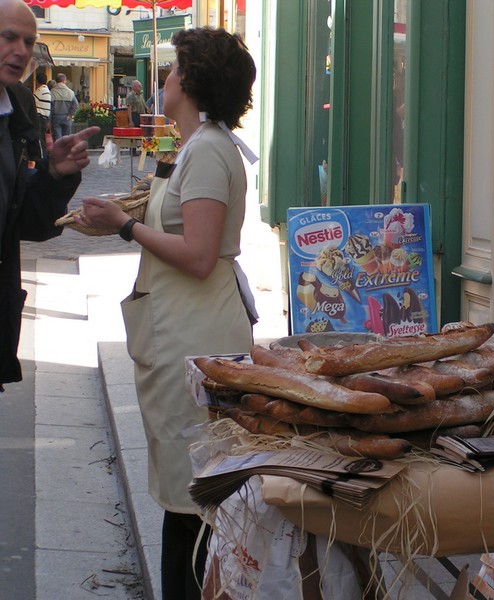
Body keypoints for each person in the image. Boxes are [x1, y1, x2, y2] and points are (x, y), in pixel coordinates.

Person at [78, 27, 258, 599]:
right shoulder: (200, 145)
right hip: (184, 327)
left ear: (194, 80)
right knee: (185, 491)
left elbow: (200, 256)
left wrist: (126, 226)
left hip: (194, 331)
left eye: (175, 68)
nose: (166, 79)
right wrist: (124, 219)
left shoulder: (206, 149)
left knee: (193, 495)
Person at [0, 0, 99, 390]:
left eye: (29, 41)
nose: (21, 51)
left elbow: (25, 220)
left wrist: (54, 173)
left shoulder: (18, 109)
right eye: (9, 37)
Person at [50, 72, 78, 141]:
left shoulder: (52, 92)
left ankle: (58, 151)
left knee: (57, 139)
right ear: (64, 81)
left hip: (55, 117)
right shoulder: (70, 92)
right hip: (66, 117)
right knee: (67, 139)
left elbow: (49, 107)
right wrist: (70, 114)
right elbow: (76, 105)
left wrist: (49, 119)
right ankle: (66, 151)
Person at [33, 71, 51, 143]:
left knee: (40, 140)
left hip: (39, 118)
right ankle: (43, 154)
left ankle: (42, 154)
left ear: (37, 81)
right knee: (42, 139)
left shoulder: (40, 91)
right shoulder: (47, 90)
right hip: (45, 118)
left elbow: (31, 102)